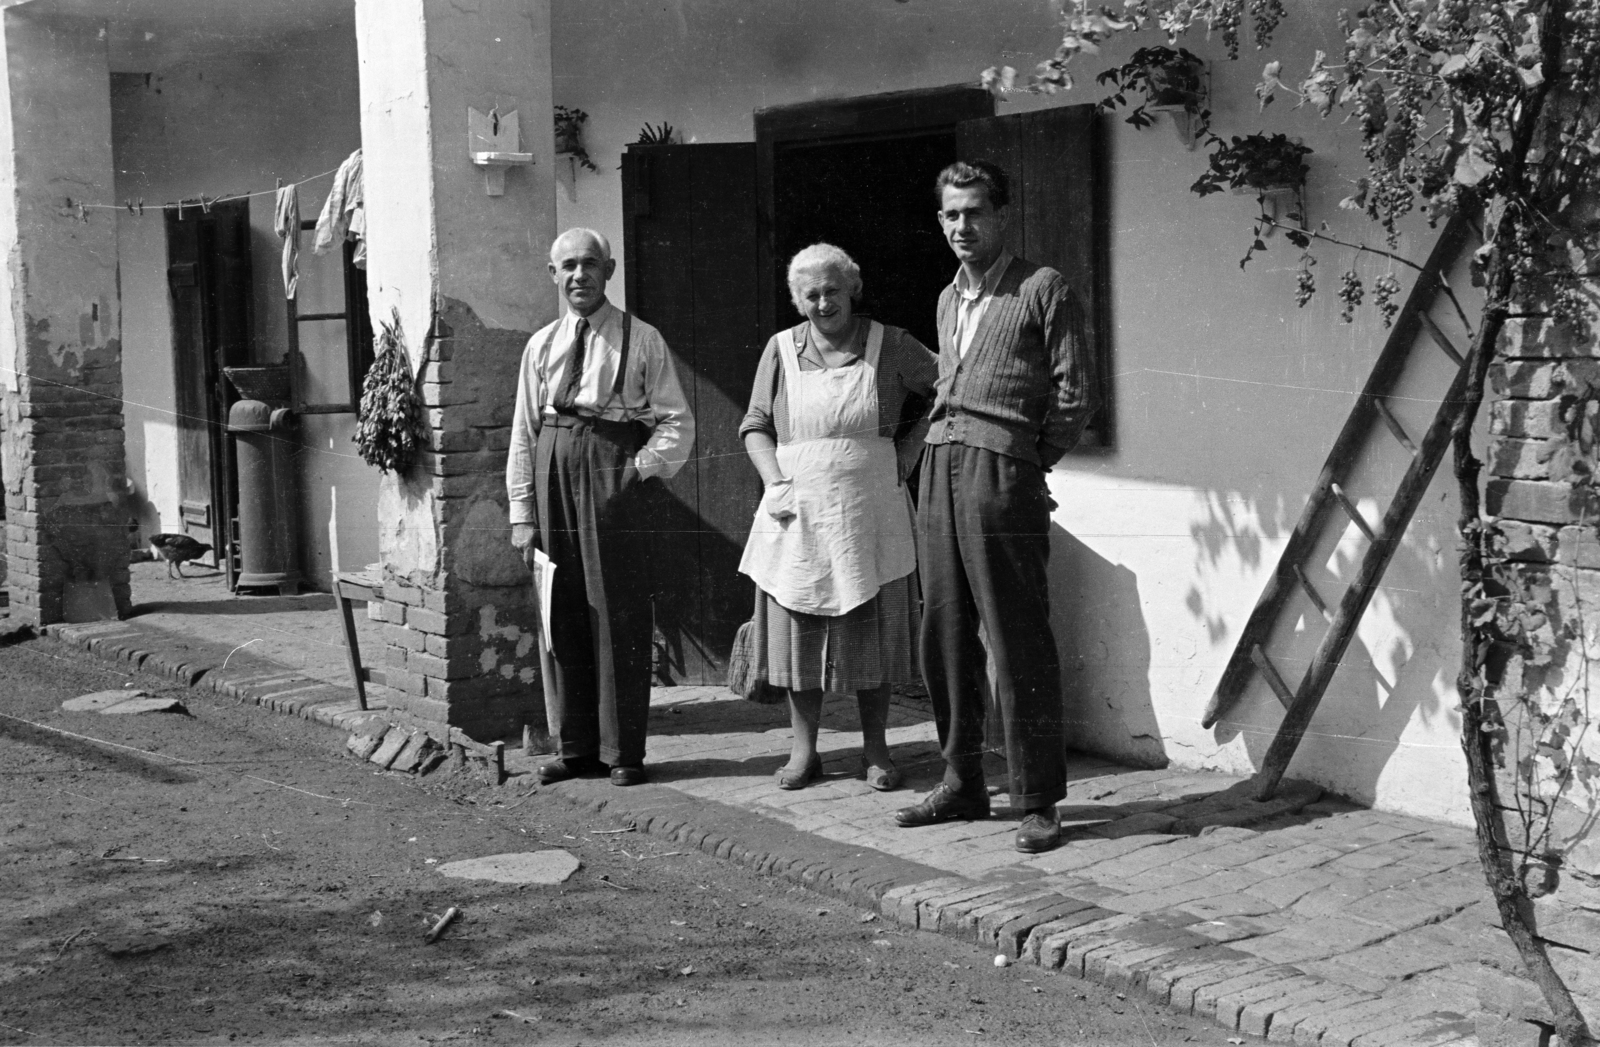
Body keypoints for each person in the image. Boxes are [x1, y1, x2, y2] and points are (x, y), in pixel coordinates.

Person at [893, 161, 1096, 854]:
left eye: (974, 212)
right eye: (951, 214)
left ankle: (1037, 797)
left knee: (1017, 638)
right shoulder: (948, 299)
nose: (961, 227)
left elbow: (1074, 395)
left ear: (1001, 214)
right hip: (940, 467)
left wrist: (1027, 463)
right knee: (944, 634)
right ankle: (962, 779)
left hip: (1001, 471)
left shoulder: (1043, 288)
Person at [738, 243, 938, 791]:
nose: (823, 302)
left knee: (870, 630)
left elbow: (948, 389)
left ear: (853, 288)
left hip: (868, 508)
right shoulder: (780, 350)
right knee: (801, 631)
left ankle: (877, 749)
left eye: (832, 289)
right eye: (811, 294)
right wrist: (774, 479)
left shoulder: (890, 344)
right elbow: (755, 422)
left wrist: (910, 447)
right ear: (797, 300)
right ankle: (805, 752)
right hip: (798, 507)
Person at [507, 228, 694, 787]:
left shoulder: (641, 339)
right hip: (552, 468)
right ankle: (577, 748)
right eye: (567, 266)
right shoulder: (540, 345)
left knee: (618, 610)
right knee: (561, 609)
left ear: (610, 270)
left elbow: (676, 422)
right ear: (553, 274)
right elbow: (523, 430)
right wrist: (522, 512)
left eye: (590, 264)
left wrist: (637, 469)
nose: (579, 275)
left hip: (611, 472)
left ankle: (623, 753)